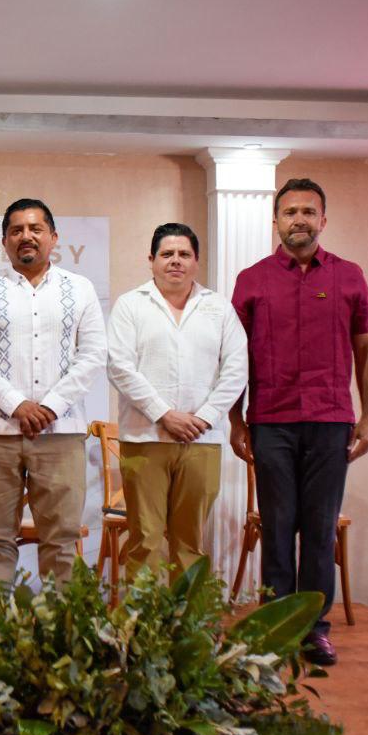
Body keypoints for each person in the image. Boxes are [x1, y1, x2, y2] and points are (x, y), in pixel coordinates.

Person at [230, 178, 368, 666]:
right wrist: (235, 419)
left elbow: (367, 349)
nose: (299, 219)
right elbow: (233, 357)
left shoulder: (349, 276)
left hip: (330, 420)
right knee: (277, 526)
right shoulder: (251, 280)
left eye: (308, 212)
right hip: (270, 422)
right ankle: (276, 628)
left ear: (323, 220)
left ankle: (314, 629)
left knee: (319, 530)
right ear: (275, 220)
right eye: (290, 211)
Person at [0, 198, 107, 584]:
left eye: (36, 229)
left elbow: (92, 355)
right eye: (17, 230)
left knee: (62, 539)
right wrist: (16, 404)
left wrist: (50, 406)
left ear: (53, 237)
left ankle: (60, 623)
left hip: (62, 432)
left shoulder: (80, 289)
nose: (26, 236)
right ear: (4, 241)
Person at [107, 223, 247, 576]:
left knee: (191, 542)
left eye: (184, 254)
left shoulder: (218, 308)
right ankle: (145, 614)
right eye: (167, 254)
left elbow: (237, 368)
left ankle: (187, 614)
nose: (175, 261)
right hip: (144, 437)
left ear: (196, 261)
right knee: (145, 540)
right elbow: (119, 367)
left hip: (202, 438)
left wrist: (206, 416)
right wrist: (164, 413)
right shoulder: (130, 305)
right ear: (151, 260)